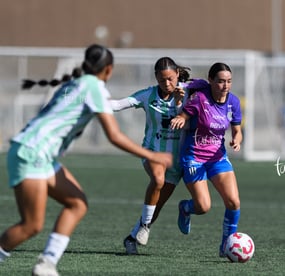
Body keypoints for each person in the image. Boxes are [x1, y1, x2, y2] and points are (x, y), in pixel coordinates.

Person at [0, 44, 172, 276]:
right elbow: (114, 136)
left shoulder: (75, 84)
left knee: (77, 204)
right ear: (108, 69)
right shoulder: (95, 88)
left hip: (36, 153)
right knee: (31, 225)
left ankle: (47, 263)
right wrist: (152, 155)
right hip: (33, 153)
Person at [110, 57, 207, 255]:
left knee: (156, 206)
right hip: (153, 152)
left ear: (177, 75)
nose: (167, 84)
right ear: (156, 78)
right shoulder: (148, 95)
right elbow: (118, 104)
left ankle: (132, 238)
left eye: (170, 79)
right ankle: (145, 226)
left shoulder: (188, 91)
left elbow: (209, 87)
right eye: (162, 80)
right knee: (157, 178)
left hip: (179, 160)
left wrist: (190, 88)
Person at [170, 62, 243, 257]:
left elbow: (237, 130)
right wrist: (180, 119)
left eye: (228, 81)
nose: (225, 86)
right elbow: (185, 116)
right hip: (194, 157)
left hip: (217, 157)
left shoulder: (233, 102)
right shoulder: (200, 99)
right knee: (203, 207)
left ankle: (227, 245)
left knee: (233, 202)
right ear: (210, 81)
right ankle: (185, 208)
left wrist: (237, 139)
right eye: (220, 81)